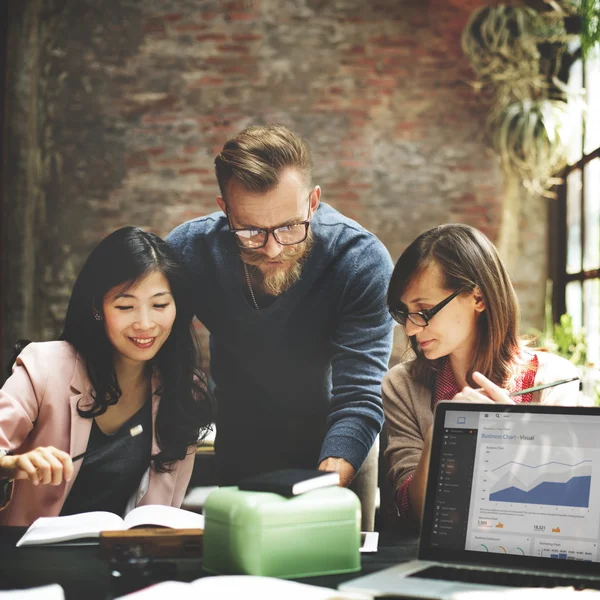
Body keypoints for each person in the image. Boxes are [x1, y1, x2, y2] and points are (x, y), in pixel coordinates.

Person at [167, 124, 394, 530]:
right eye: (251, 231)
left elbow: (359, 397)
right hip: (239, 445)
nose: (273, 249)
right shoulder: (189, 251)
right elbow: (156, 360)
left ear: (313, 201)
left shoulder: (359, 261)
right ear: (225, 209)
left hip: (340, 448)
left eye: (290, 227)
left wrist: (324, 484)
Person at [0, 227, 212, 526]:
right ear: (97, 307)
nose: (145, 323)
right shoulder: (45, 367)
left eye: (160, 305)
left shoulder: (184, 389)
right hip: (32, 560)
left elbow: (166, 510)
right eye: (125, 306)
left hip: (128, 560)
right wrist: (11, 463)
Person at [382, 223, 581, 528]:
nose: (410, 328)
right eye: (404, 312)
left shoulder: (552, 381)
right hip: (433, 557)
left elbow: (564, 510)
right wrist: (440, 434)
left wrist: (515, 437)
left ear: (478, 298)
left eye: (424, 310)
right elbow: (415, 515)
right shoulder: (402, 386)